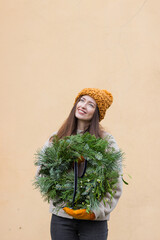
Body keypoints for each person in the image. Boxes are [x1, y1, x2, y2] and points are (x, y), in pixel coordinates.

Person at [36, 88, 123, 240]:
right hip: (62, 220)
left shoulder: (106, 142)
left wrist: (96, 211)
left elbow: (114, 183)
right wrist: (62, 204)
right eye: (81, 100)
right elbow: (42, 174)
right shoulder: (57, 138)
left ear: (97, 113)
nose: (83, 105)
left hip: (94, 222)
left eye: (91, 104)